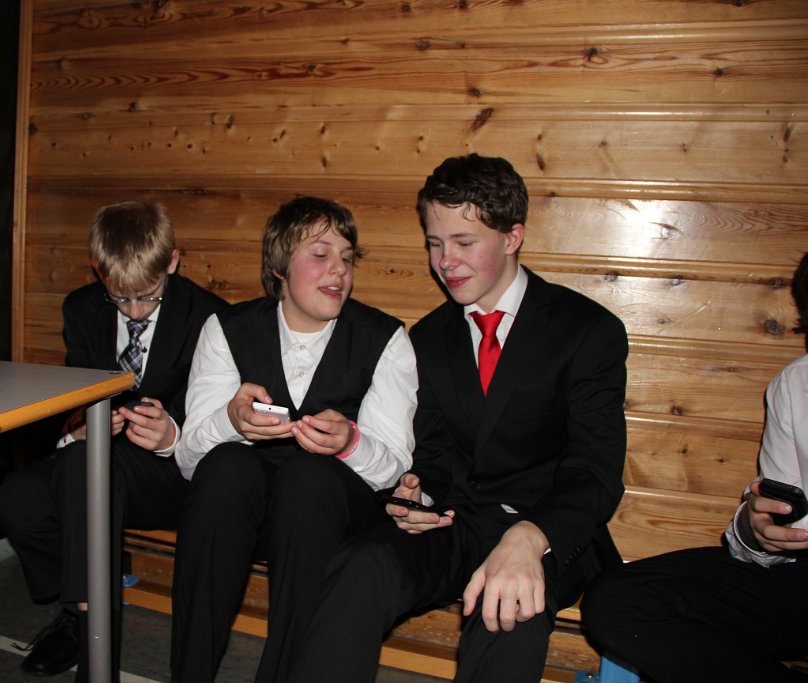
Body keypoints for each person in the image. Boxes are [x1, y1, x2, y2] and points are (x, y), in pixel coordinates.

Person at [286, 153, 630, 683]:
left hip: (551, 532)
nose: (445, 261)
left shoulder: (587, 330)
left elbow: (595, 471)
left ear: (512, 237)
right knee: (361, 566)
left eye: (464, 243)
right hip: (460, 523)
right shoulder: (429, 337)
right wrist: (416, 494)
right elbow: (435, 457)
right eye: (434, 243)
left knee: (508, 605)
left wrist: (530, 537)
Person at [169, 196, 418, 683]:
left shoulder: (383, 338)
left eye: (347, 258)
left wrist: (349, 444)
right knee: (225, 468)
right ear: (280, 267)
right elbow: (188, 459)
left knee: (308, 478)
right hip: (250, 507)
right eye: (320, 254)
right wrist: (230, 420)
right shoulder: (227, 329)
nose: (339, 269)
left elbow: (394, 468)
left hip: (334, 511)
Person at [0, 201, 227, 680]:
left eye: (147, 297)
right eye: (119, 297)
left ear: (172, 262)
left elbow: (219, 424)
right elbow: (72, 401)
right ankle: (78, 609)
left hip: (174, 472)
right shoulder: (81, 308)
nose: (134, 310)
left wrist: (172, 434)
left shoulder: (210, 317)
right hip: (96, 463)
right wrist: (76, 429)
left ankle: (91, 642)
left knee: (84, 469)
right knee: (17, 497)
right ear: (99, 272)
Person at [582, 251, 808, 683]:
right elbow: (771, 520)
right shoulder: (796, 384)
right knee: (619, 600)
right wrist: (756, 528)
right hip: (799, 582)